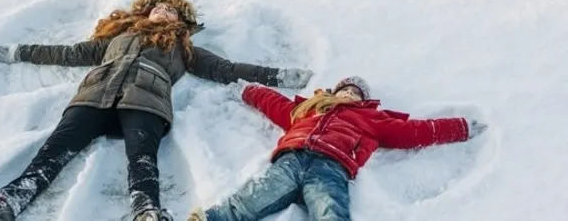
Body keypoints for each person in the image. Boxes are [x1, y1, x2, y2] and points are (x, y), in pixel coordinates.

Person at [0, 0, 315, 221]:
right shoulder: (119, 37)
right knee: (56, 149)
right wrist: (21, 52)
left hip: (147, 100)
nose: (164, 12)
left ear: (181, 22)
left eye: (172, 11)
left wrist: (279, 74)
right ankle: (8, 202)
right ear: (147, 11)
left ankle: (146, 210)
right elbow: (69, 54)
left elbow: (227, 70)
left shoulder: (183, 47)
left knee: (142, 156)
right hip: (95, 95)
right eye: (159, 7)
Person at [187, 76, 488, 221]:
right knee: (252, 197)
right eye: (346, 89)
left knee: (330, 209)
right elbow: (274, 104)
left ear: (364, 101)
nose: (350, 94)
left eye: (356, 93)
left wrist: (460, 127)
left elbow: (414, 131)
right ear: (334, 92)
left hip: (330, 167)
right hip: (292, 159)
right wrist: (249, 90)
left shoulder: (373, 119)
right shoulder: (308, 109)